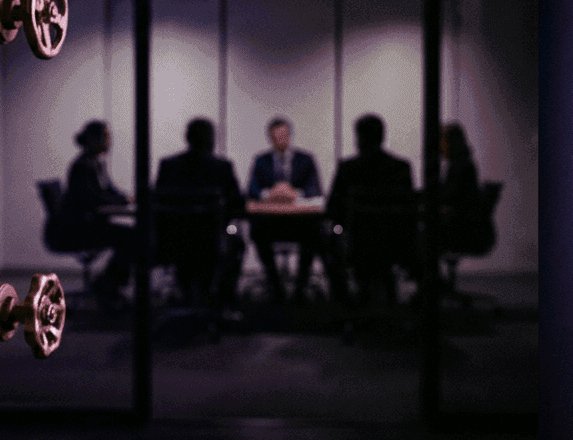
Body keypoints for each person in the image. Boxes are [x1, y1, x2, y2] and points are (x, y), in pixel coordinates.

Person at [154, 118, 247, 308]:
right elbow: (238, 205)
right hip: (212, 243)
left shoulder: (168, 166)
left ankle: (188, 297)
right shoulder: (222, 167)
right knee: (237, 243)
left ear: (187, 138)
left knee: (189, 256)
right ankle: (223, 298)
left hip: (173, 242)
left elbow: (158, 203)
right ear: (212, 140)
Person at [325, 114, 416, 304]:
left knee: (326, 244)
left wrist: (339, 230)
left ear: (358, 137)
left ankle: (341, 306)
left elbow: (333, 208)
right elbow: (409, 209)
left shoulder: (348, 168)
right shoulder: (401, 168)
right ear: (383, 136)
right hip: (394, 245)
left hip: (356, 245)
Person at [246, 117, 323, 302]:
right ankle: (275, 286)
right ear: (270, 138)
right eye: (276, 136)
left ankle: (301, 287)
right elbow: (251, 191)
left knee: (314, 232)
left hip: (300, 222)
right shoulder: (261, 160)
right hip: (270, 222)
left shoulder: (305, 160)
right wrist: (271, 193)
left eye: (285, 135)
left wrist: (294, 193)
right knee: (257, 232)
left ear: (290, 135)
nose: (281, 139)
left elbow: (316, 190)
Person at [61, 120, 133, 311]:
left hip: (90, 223)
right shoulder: (82, 166)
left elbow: (109, 191)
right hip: (80, 228)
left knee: (129, 235)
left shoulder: (95, 163)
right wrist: (120, 202)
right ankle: (107, 284)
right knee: (129, 237)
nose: (109, 142)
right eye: (105, 137)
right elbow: (94, 199)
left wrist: (127, 199)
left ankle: (108, 282)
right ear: (92, 139)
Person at [440, 122, 485, 253]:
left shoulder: (458, 167)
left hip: (460, 228)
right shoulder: (464, 164)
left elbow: (448, 196)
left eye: (442, 142)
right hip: (465, 225)